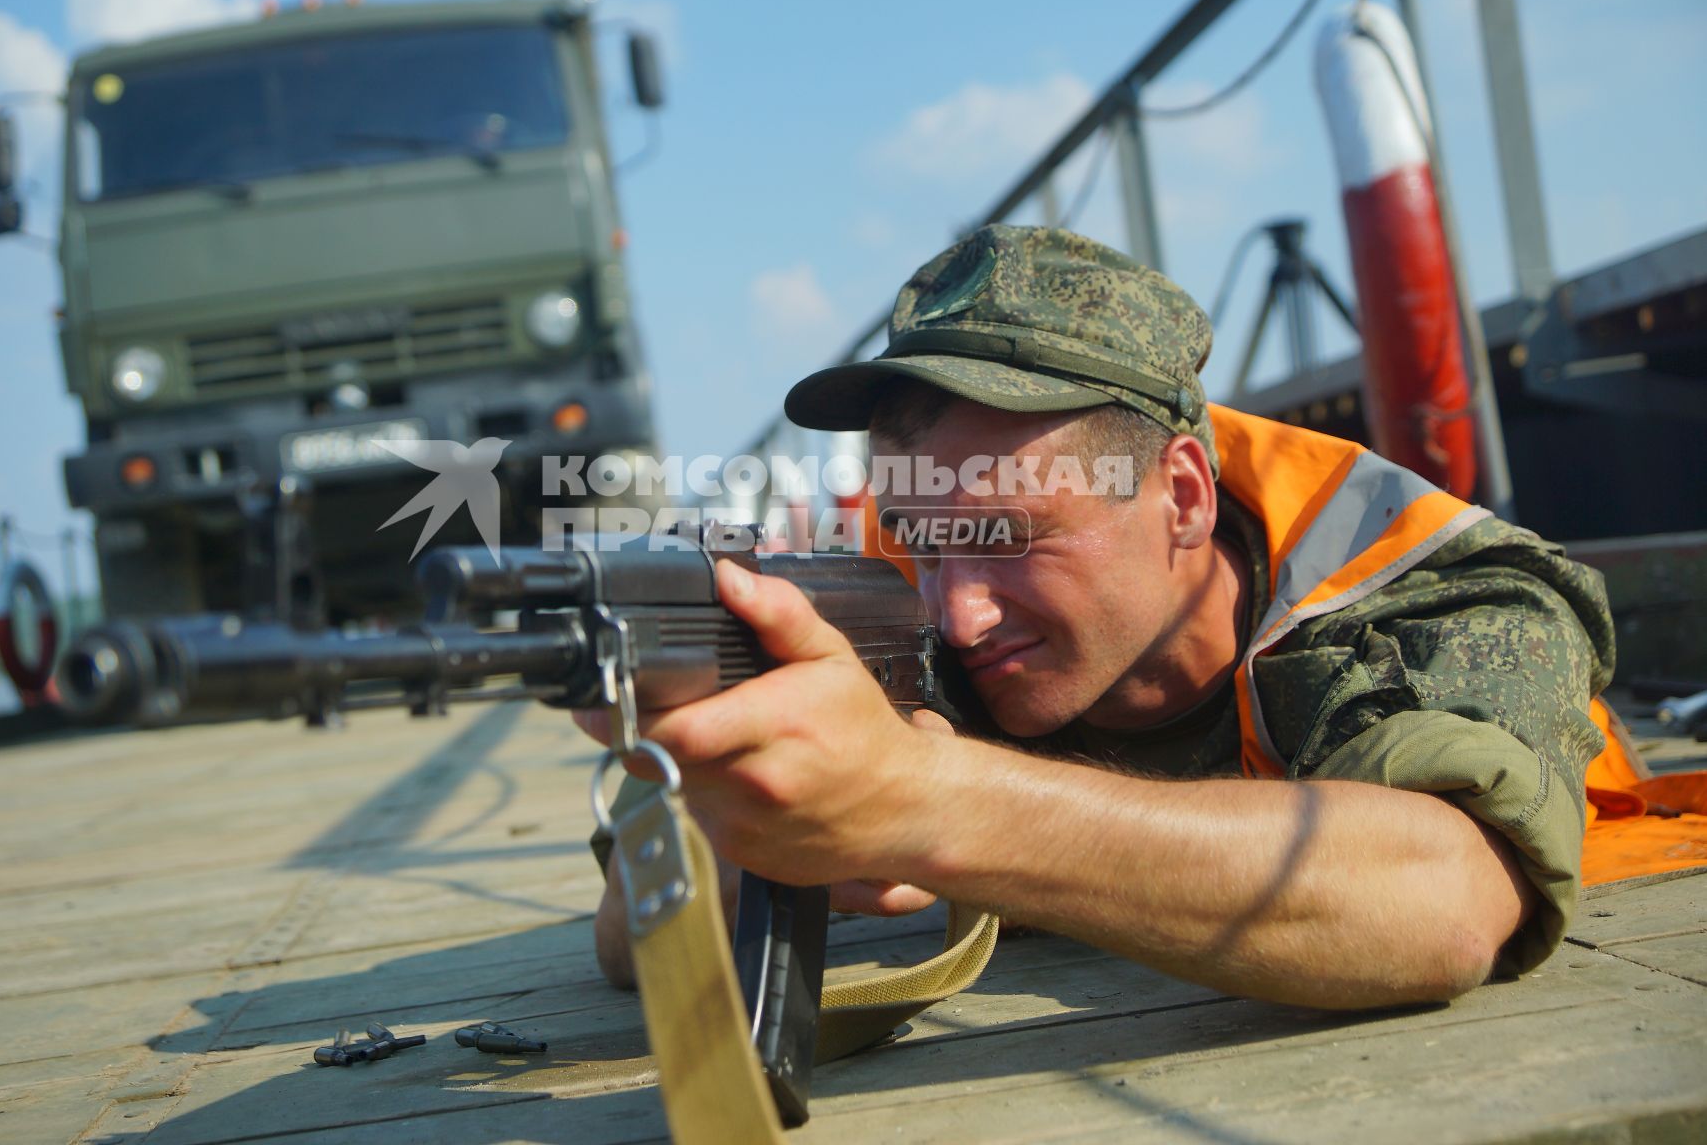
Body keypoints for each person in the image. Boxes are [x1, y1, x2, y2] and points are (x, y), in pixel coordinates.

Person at [582, 224, 1614, 1010]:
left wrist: (926, 798)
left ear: (1179, 496)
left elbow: (1442, 903)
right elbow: (627, 941)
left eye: (1011, 535)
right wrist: (730, 786)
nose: (960, 612)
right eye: (919, 538)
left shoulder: (1429, 584)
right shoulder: (900, 604)